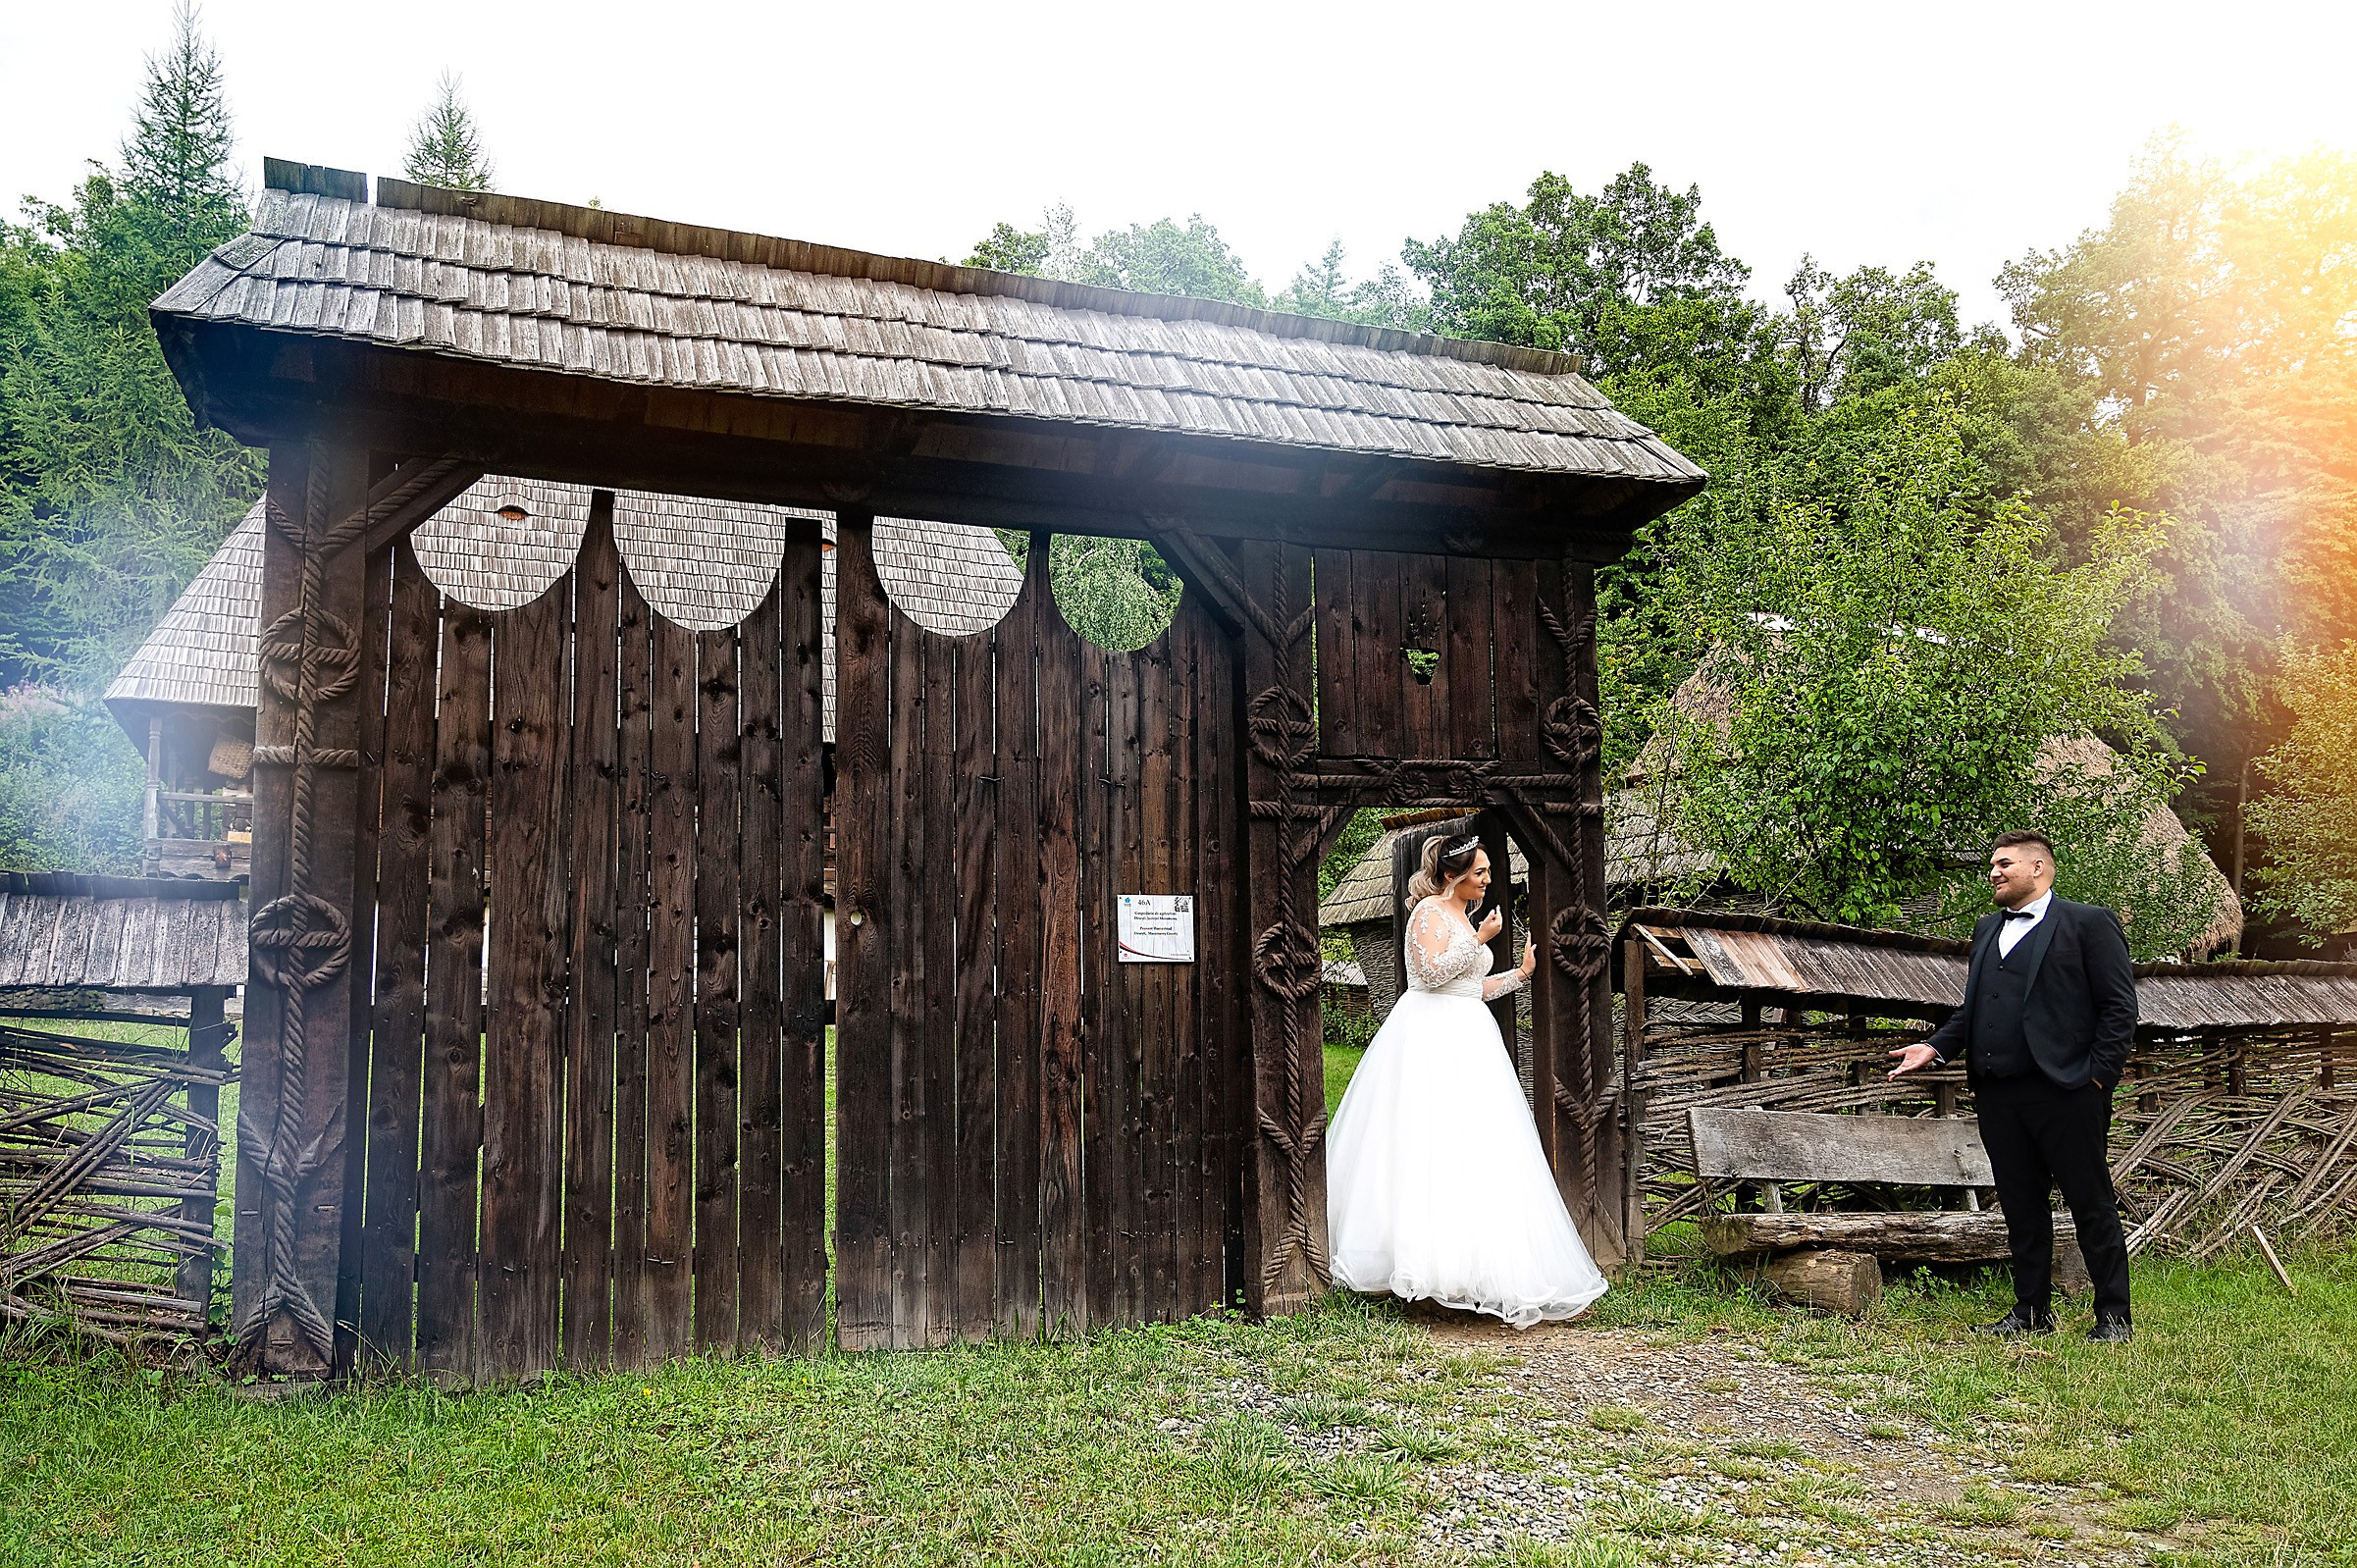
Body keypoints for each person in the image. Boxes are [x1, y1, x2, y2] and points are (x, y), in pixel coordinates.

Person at [1326, 832, 1608, 1328]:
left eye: (1487, 873)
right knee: (1427, 1143)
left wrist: (1519, 973)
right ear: (1453, 875)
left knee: (1474, 1146)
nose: (1487, 880)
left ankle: (1466, 1266)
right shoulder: (1427, 914)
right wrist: (1479, 942)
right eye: (1479, 872)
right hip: (1429, 1038)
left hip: (1469, 1036)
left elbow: (1471, 989)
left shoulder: (1465, 918)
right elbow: (1431, 975)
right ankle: (1418, 1269)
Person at [1889, 829, 2137, 1341]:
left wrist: (2096, 1079)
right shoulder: (1986, 929)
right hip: (1999, 1093)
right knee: (2022, 1205)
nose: (1994, 873)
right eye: (1992, 866)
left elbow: (2119, 1008)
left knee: (2090, 1201)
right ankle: (2031, 1312)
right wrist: (1935, 1047)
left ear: (2038, 868)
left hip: (2067, 1091)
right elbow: (1975, 1009)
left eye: (2004, 864)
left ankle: (2113, 1315)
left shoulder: (2087, 923)